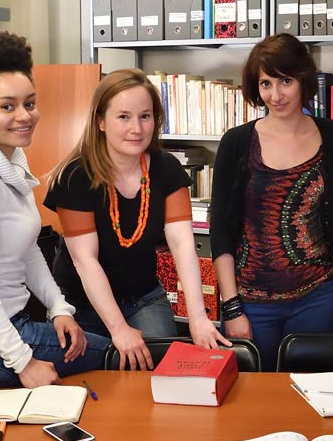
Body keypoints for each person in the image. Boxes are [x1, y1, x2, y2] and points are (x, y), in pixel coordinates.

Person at [0, 30, 109, 388]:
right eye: (7, 106)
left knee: (99, 341)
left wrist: (58, 307)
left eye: (29, 103)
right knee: (116, 356)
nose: (24, 116)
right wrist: (25, 363)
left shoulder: (9, 161)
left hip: (3, 327)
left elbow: (27, 250)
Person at [44, 68, 230, 371]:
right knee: (95, 383)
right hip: (82, 303)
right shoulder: (76, 176)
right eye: (123, 117)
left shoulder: (166, 168)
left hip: (142, 296)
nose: (136, 128)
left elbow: (183, 244)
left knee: (157, 374)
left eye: (145, 116)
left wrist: (198, 317)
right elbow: (85, 261)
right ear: (101, 121)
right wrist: (119, 330)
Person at [209, 33, 333, 372]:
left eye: (285, 81)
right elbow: (219, 229)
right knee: (251, 402)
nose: (276, 95)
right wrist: (231, 307)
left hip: (316, 298)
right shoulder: (237, 142)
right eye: (266, 83)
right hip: (250, 303)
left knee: (313, 395)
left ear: (303, 81)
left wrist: (332, 218)